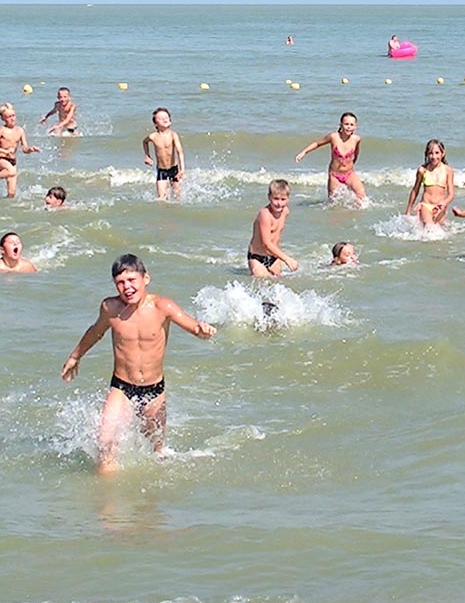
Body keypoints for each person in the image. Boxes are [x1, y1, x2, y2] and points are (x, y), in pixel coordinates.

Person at [61, 254, 215, 474]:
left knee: (156, 454)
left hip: (154, 390)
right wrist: (75, 357)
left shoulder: (163, 306)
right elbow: (95, 332)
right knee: (105, 444)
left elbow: (193, 326)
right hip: (121, 387)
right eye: (120, 283)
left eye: (132, 280)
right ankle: (107, 493)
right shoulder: (110, 308)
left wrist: (203, 329)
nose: (127, 287)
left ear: (146, 279)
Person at [295, 112, 365, 202]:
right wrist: (304, 152)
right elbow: (317, 144)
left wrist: (354, 161)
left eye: (351, 125)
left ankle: (354, 211)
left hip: (349, 173)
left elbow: (356, 152)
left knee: (361, 195)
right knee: (332, 202)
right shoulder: (333, 137)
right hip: (334, 175)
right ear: (341, 125)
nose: (349, 127)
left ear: (355, 126)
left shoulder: (356, 139)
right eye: (346, 124)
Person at [0, 103, 40, 198]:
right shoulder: (2, 130)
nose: (12, 119)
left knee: (12, 194)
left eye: (13, 115)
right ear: (3, 119)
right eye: (8, 117)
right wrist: (5, 151)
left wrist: (31, 149)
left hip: (13, 161)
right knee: (12, 172)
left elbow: (24, 149)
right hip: (1, 158)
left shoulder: (20, 130)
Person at [247, 179, 298, 276]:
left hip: (274, 257)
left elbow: (276, 235)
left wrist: (279, 256)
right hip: (257, 257)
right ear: (269, 197)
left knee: (276, 282)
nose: (279, 203)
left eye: (283, 199)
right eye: (276, 199)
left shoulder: (285, 211)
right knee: (262, 280)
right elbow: (266, 243)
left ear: (288, 199)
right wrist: (287, 259)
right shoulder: (265, 215)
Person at [405, 138, 455, 226]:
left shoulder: (448, 170)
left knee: (440, 231)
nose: (434, 156)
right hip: (426, 206)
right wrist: (408, 210)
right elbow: (415, 190)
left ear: (443, 153)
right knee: (429, 228)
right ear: (427, 154)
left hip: (440, 208)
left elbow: (451, 194)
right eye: (430, 153)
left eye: (437, 153)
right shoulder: (423, 170)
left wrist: (445, 202)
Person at [142, 107, 185, 200]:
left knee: (177, 197)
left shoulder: (173, 135)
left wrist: (182, 169)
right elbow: (145, 142)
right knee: (161, 198)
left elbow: (180, 152)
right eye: (161, 118)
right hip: (161, 170)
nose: (165, 119)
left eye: (166, 117)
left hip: (174, 169)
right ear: (155, 124)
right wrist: (147, 156)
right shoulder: (153, 136)